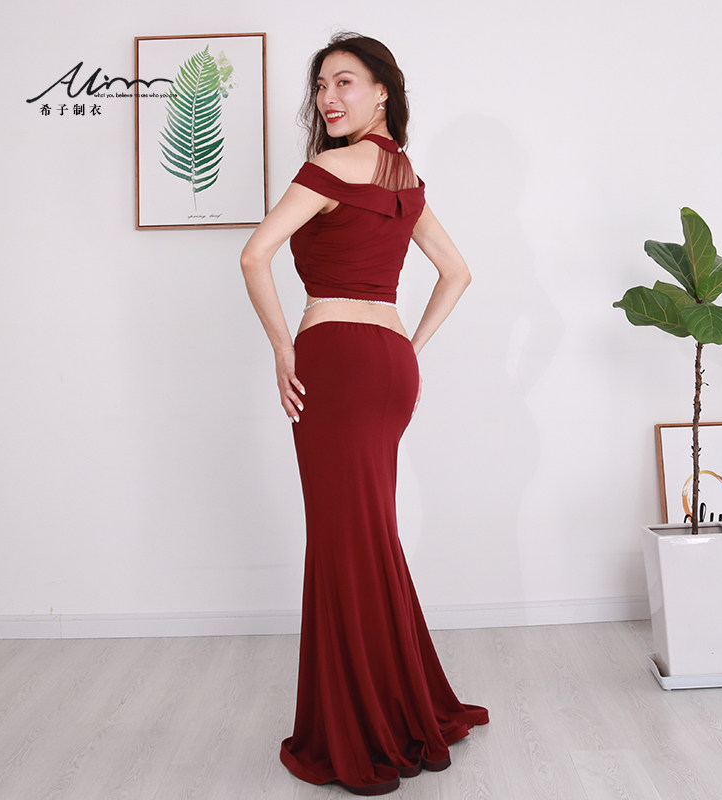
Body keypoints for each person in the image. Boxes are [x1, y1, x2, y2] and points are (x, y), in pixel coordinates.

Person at [240, 31, 488, 797]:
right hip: (389, 367)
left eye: (344, 82)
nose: (328, 98)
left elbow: (254, 254)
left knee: (344, 542)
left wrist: (282, 347)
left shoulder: (327, 170)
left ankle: (363, 726)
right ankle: (400, 703)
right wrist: (409, 345)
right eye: (321, 86)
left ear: (383, 91)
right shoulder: (405, 178)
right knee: (369, 536)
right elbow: (458, 273)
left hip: (337, 365)